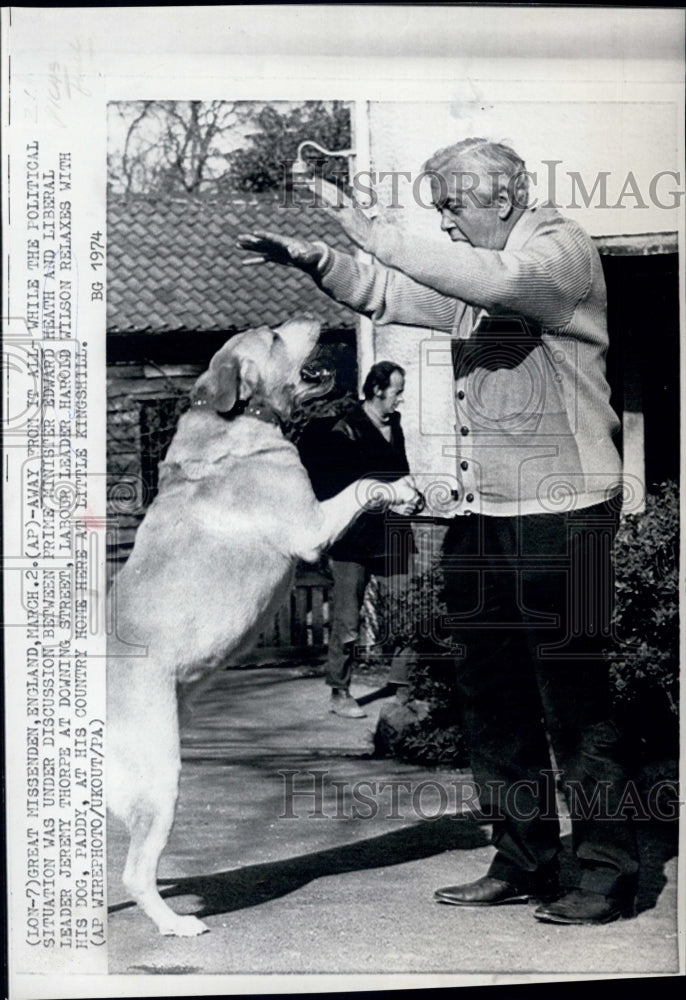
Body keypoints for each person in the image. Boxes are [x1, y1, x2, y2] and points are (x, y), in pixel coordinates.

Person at [238, 137, 639, 925]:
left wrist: (368, 222)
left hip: (571, 514)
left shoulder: (557, 256)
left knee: (577, 698)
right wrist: (317, 257)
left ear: (504, 196)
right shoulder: (483, 269)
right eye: (439, 214)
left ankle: (608, 874)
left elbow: (467, 274)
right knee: (492, 697)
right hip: (486, 513)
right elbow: (394, 294)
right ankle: (524, 860)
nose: (448, 227)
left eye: (453, 208)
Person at [297, 361, 420, 719]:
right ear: (378, 390)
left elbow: (402, 472)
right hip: (353, 538)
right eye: (397, 390)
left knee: (406, 610)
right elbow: (337, 489)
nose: (401, 398)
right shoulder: (345, 430)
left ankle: (404, 690)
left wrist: (412, 496)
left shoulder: (393, 425)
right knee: (348, 619)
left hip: (394, 534)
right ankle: (339, 691)